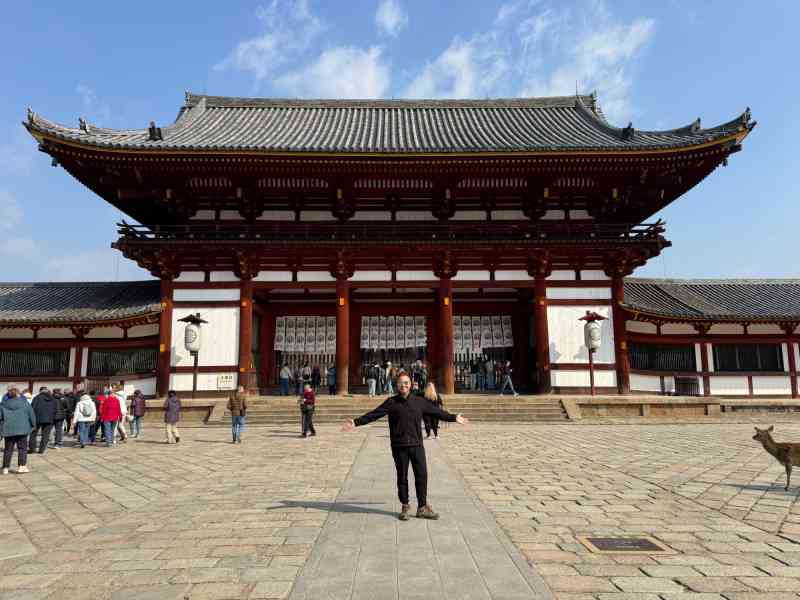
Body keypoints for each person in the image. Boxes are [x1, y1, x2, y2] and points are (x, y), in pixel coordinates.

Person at [341, 373, 469, 521]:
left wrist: (454, 417)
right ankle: (405, 505)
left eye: (406, 383)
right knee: (402, 477)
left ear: (411, 384)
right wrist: (356, 422)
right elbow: (374, 414)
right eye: (401, 383)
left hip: (417, 445)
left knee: (422, 475)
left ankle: (422, 507)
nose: (404, 385)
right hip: (399, 446)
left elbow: (437, 412)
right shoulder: (391, 402)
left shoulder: (419, 401)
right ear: (397, 385)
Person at [0, 388, 36, 474]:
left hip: (8, 429)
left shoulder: (2, 404)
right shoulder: (24, 403)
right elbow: (31, 414)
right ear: (18, 393)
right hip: (22, 429)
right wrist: (33, 425)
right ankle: (22, 466)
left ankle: (5, 468)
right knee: (22, 448)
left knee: (8, 449)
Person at [30, 387, 56, 454]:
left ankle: (32, 449)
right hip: (49, 419)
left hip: (37, 418)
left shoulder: (36, 398)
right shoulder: (52, 399)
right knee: (45, 435)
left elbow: (32, 408)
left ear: (40, 391)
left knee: (33, 434)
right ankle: (42, 450)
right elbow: (55, 409)